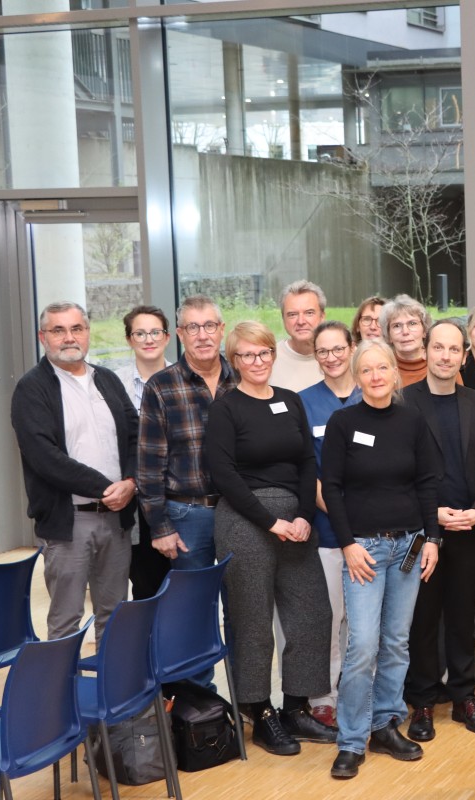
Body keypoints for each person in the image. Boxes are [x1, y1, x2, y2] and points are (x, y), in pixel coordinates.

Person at [204, 321, 334, 756]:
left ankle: (297, 708)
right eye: (245, 355)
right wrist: (269, 521)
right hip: (244, 520)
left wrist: (301, 515)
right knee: (253, 621)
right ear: (233, 360)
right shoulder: (226, 407)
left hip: (296, 523)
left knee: (311, 612)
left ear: (272, 356)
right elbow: (223, 473)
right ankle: (259, 714)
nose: (256, 362)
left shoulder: (290, 401)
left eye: (262, 353)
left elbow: (305, 462)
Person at [321, 340, 442, 778]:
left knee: (395, 642)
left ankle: (386, 724)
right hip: (365, 551)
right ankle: (351, 741)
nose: (375, 376)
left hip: (409, 547)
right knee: (362, 646)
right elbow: (331, 487)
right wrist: (348, 544)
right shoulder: (342, 422)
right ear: (357, 376)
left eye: (383, 368)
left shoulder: (412, 421)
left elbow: (428, 482)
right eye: (367, 370)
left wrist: (432, 538)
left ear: (395, 373)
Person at [403, 321, 475, 743]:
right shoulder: (404, 402)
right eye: (438, 347)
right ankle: (423, 702)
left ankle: (465, 697)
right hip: (425, 532)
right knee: (423, 620)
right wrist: (435, 514)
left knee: (464, 618)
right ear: (426, 351)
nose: (445, 356)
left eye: (453, 349)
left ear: (464, 355)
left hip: (470, 530)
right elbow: (400, 471)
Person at [11, 301, 138, 642]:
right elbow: (44, 457)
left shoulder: (107, 379)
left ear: (87, 333)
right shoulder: (31, 388)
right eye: (58, 330)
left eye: (76, 328)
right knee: (66, 621)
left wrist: (130, 482)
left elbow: (134, 434)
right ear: (43, 337)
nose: (69, 337)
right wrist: (107, 488)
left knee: (114, 615)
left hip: (117, 518)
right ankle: (61, 696)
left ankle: (112, 695)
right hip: (69, 523)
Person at [138, 295, 238, 688]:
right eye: (192, 327)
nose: (202, 335)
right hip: (187, 516)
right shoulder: (161, 386)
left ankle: (249, 702)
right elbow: (148, 465)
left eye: (209, 325)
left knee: (241, 611)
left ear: (221, 330)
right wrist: (159, 526)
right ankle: (202, 710)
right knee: (193, 612)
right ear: (179, 334)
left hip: (238, 513)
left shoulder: (241, 380)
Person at [298, 321, 363, 730]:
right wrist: (341, 519)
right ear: (315, 355)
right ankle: (324, 697)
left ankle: (359, 695)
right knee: (330, 616)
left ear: (351, 347)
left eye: (339, 348)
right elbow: (308, 472)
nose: (332, 357)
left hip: (372, 531)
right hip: (327, 530)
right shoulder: (303, 403)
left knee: (362, 622)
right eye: (323, 351)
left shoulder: (372, 394)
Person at [114, 305, 172, 600]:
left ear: (167, 337)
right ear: (129, 339)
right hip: (135, 501)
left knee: (180, 585)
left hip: (178, 498)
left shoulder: (185, 379)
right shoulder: (113, 385)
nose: (148, 339)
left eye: (155, 332)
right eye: (140, 333)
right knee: (146, 585)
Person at [270, 280, 328, 391]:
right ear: (283, 319)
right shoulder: (268, 359)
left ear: (322, 317)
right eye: (292, 314)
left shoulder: (341, 357)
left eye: (309, 313)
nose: (301, 321)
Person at [382, 294, 432, 387]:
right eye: (397, 325)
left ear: (424, 330)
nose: (405, 332)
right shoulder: (381, 370)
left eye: (412, 323)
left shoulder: (441, 365)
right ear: (389, 336)